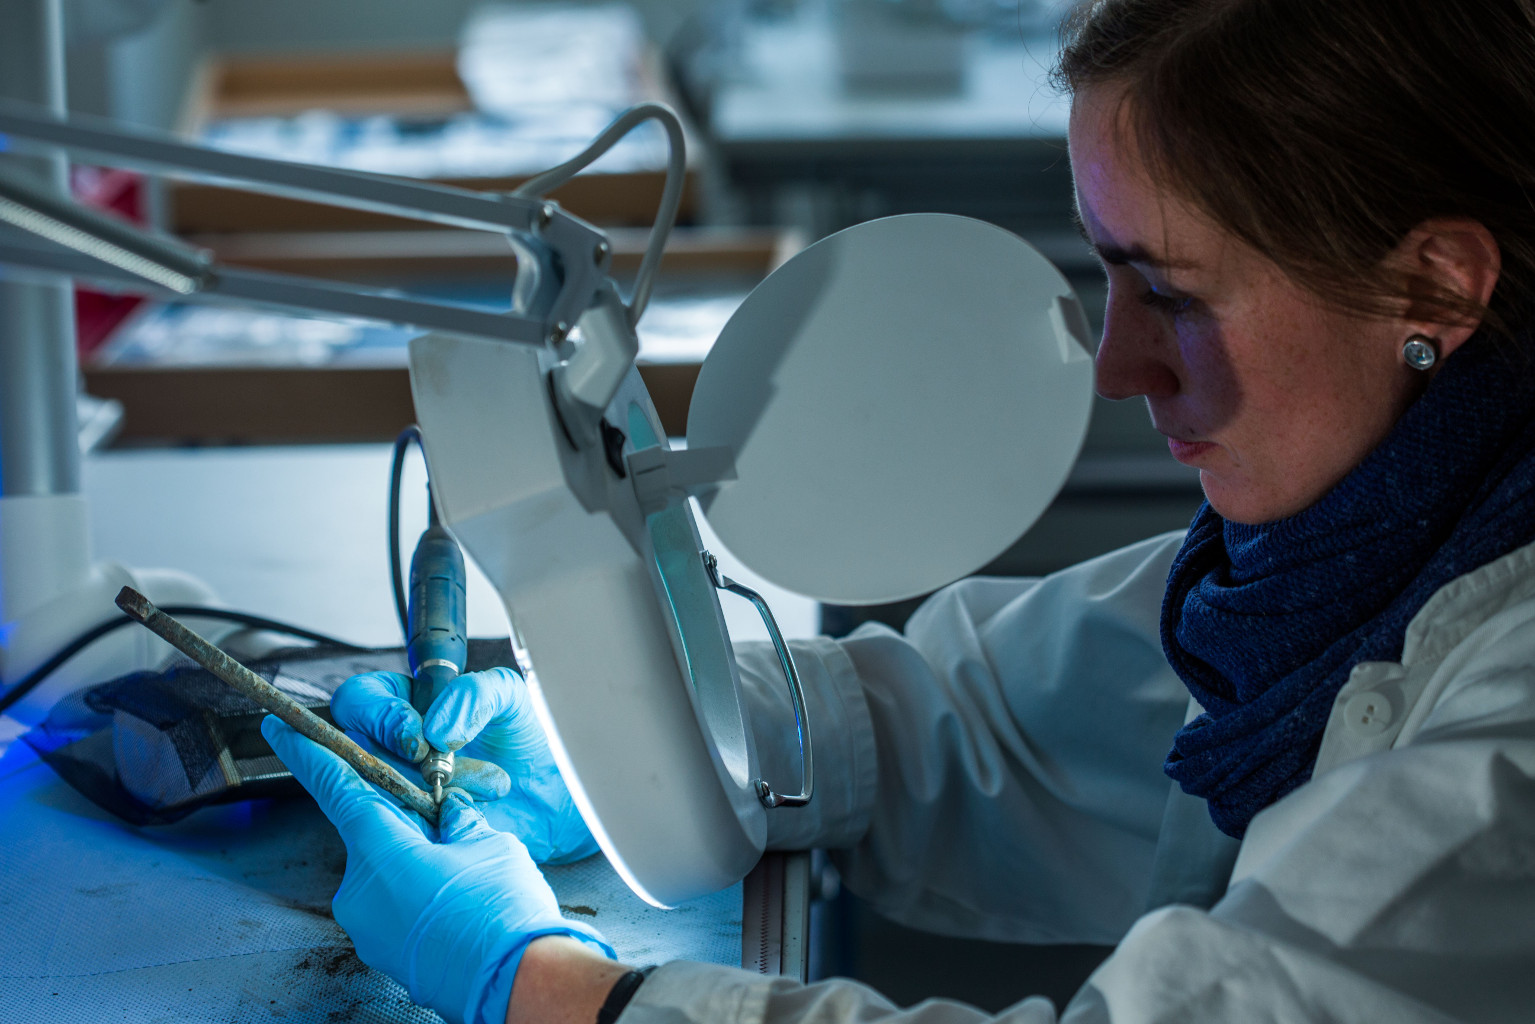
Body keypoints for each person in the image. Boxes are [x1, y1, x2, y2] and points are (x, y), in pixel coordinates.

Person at [262, 0, 1535, 1021]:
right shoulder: (1352, 557)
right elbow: (1002, 719)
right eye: (1107, 274)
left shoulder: (1503, 758)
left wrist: (552, 994)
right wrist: (643, 725)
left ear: (1431, 285)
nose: (1114, 365)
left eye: (1176, 294)